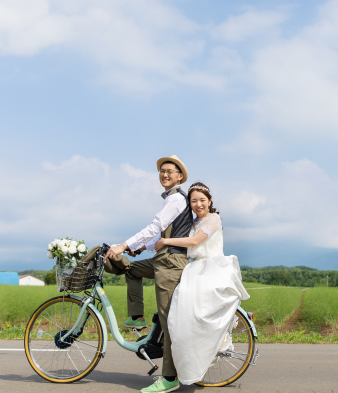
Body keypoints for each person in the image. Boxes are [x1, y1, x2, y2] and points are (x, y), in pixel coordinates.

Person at [104, 155, 191, 393]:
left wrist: (123, 245)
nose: (164, 175)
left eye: (169, 171)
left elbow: (154, 227)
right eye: (162, 171)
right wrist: (144, 247)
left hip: (171, 263)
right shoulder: (173, 199)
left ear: (179, 176)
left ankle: (170, 377)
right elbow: (162, 236)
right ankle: (137, 317)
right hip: (162, 258)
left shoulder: (175, 199)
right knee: (131, 269)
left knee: (167, 320)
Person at [154, 181, 250, 386]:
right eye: (194, 201)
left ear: (210, 201)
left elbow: (195, 242)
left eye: (202, 200)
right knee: (182, 317)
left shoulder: (213, 219)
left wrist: (166, 241)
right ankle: (188, 363)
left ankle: (220, 339)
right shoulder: (192, 223)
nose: (198, 204)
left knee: (197, 311)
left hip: (212, 268)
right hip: (195, 269)